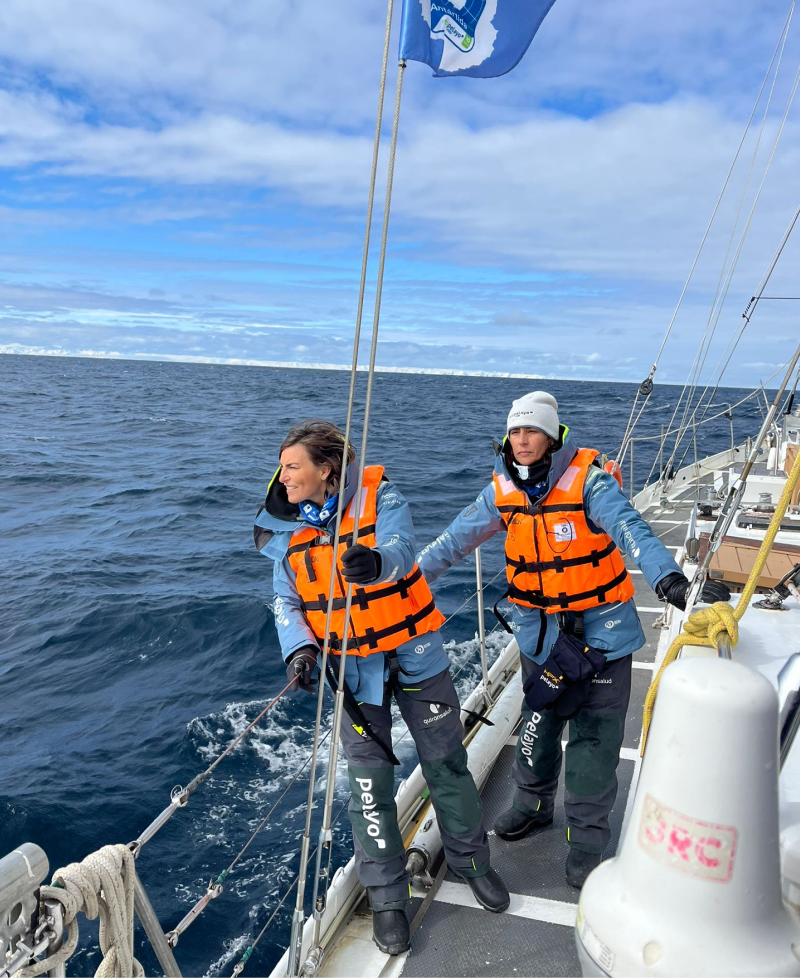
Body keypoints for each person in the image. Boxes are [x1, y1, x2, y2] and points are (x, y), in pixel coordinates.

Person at [418, 391, 730, 890]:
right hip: (541, 638)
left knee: (594, 740)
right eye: (515, 431)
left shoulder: (589, 481)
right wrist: (397, 583)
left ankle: (586, 840)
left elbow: (631, 529)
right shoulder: (501, 491)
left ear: (552, 435)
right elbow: (452, 543)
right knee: (537, 726)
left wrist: (671, 581)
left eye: (532, 430)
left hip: (602, 635)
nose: (522, 440)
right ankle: (533, 805)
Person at [254, 419, 510, 956]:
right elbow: (287, 602)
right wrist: (299, 648)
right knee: (368, 787)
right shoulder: (283, 531)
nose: (283, 477)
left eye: (292, 466)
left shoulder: (382, 496)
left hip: (415, 657)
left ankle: (471, 861)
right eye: (282, 467)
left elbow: (399, 547)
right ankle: (389, 898)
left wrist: (374, 564)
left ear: (326, 469)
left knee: (445, 762)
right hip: (351, 674)